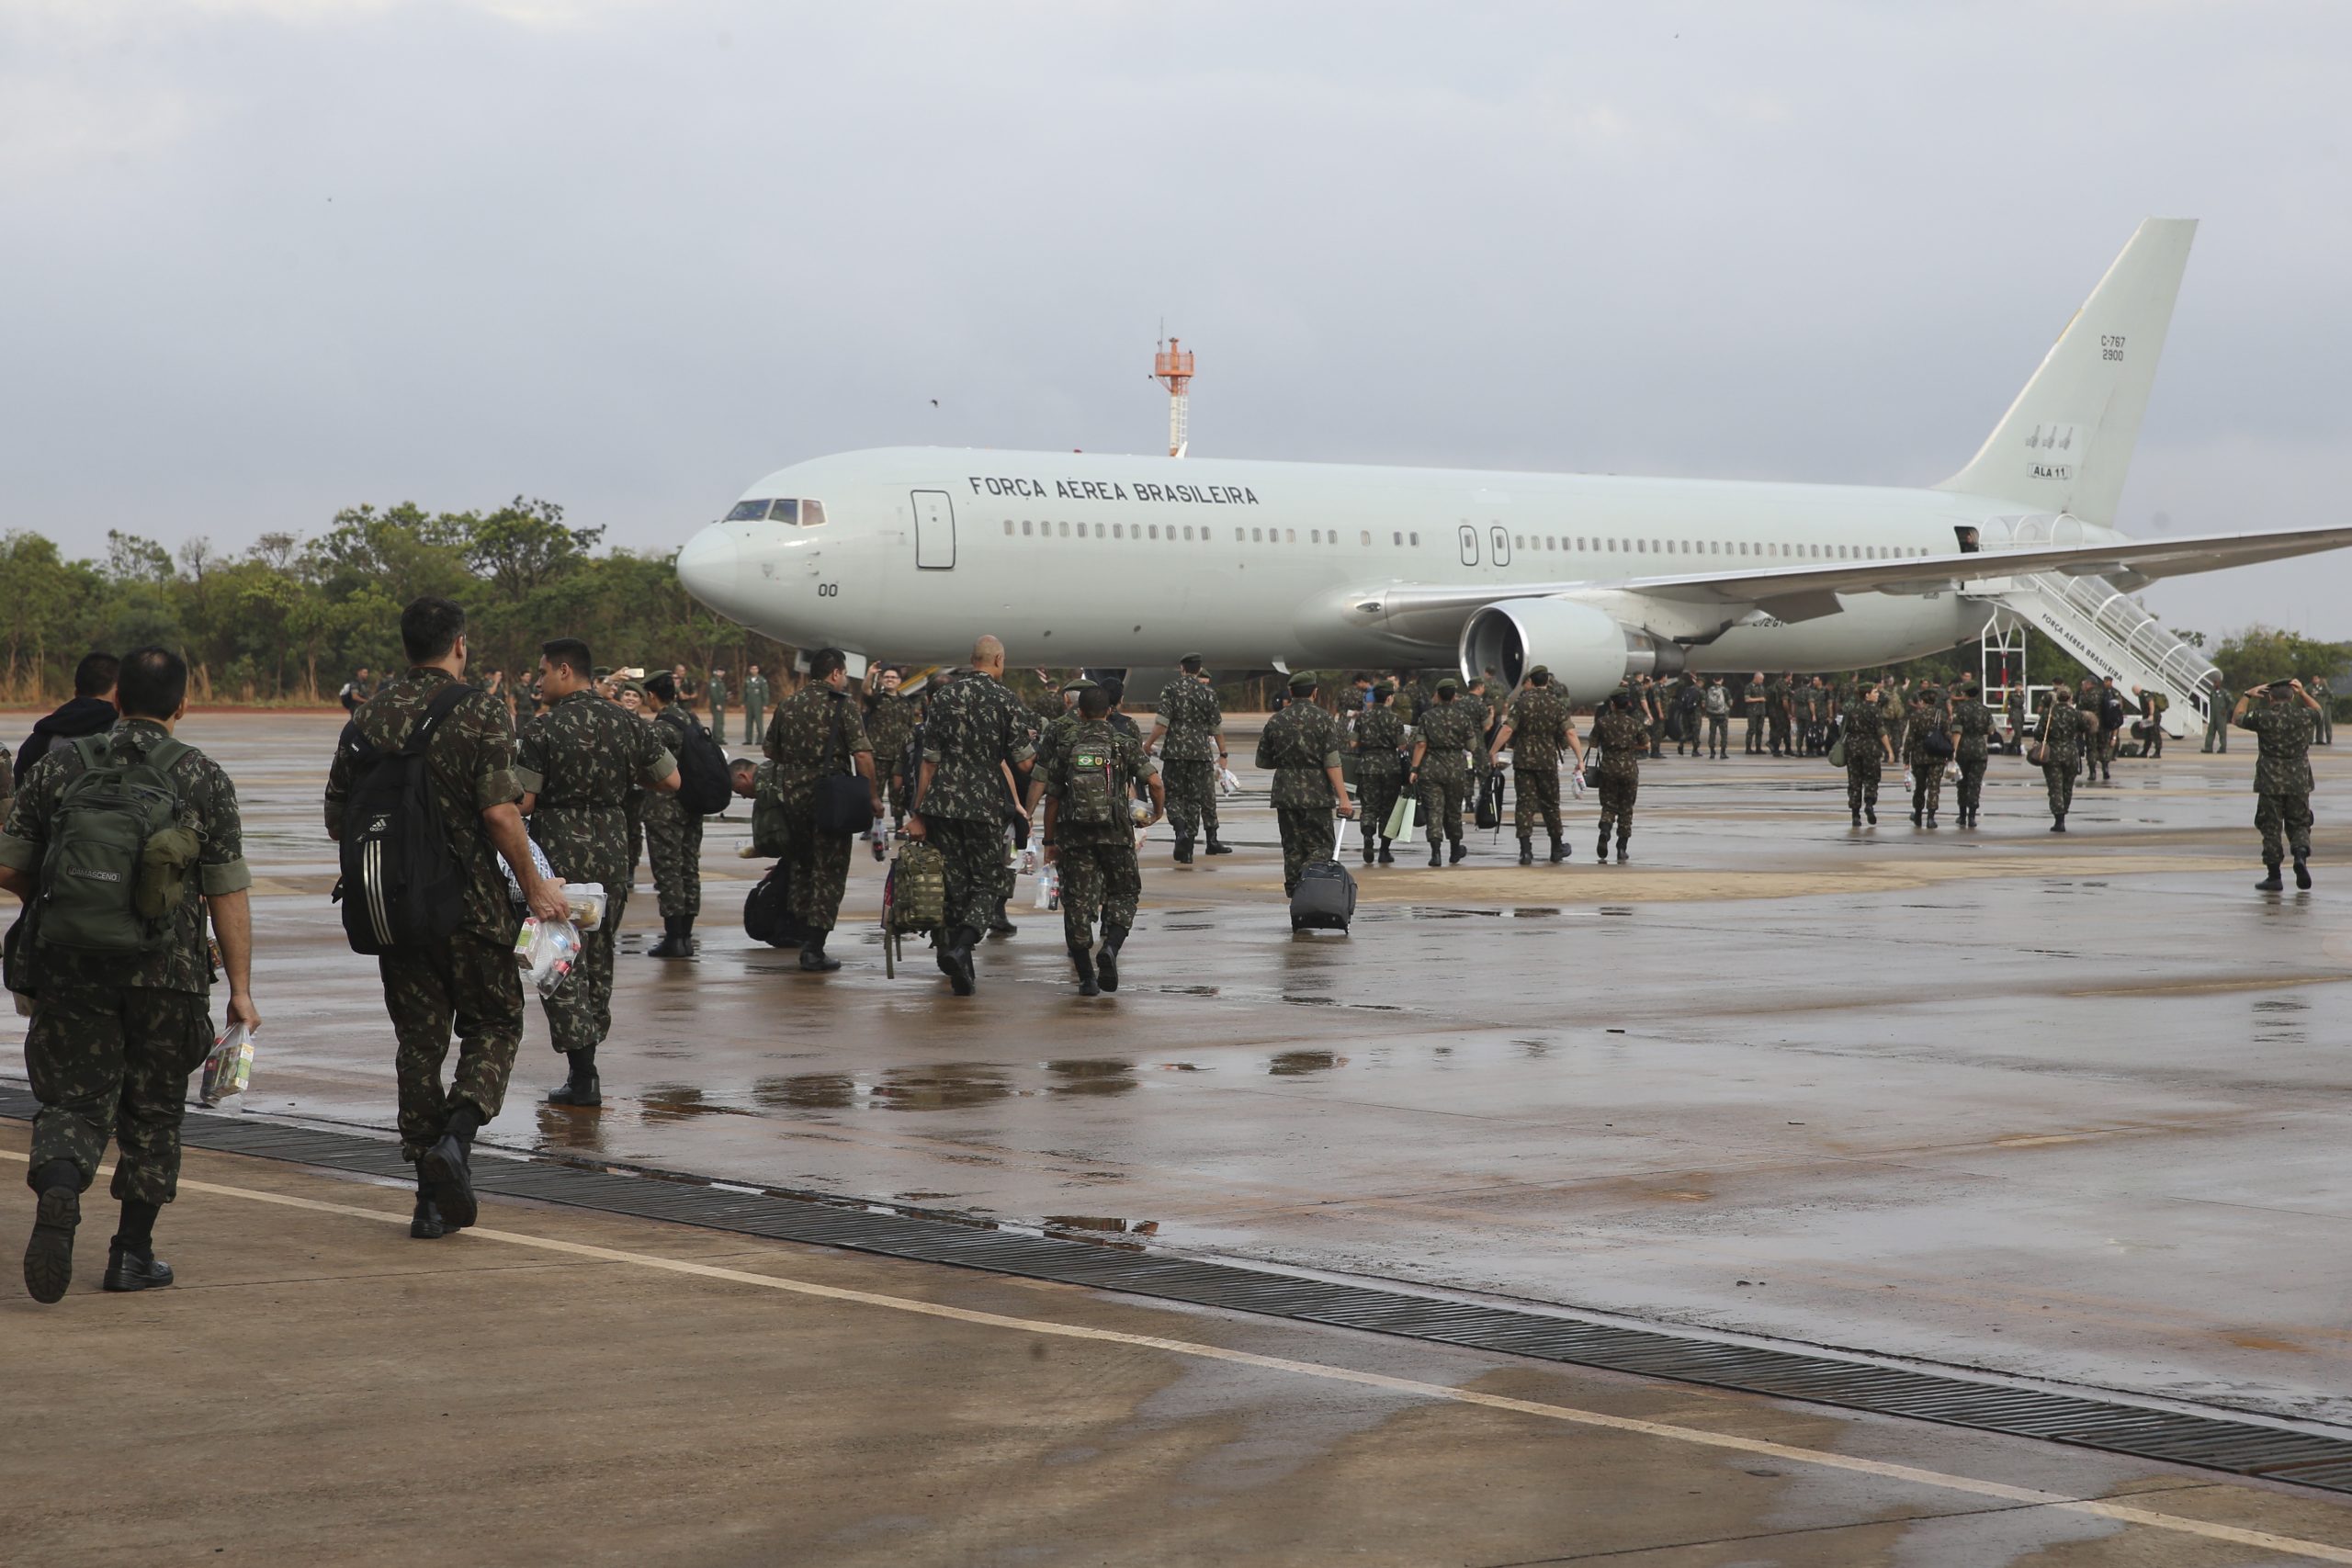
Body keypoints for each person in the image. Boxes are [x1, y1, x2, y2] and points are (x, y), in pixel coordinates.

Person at [3, 647, 258, 1301]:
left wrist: (58, 902)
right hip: (165, 973)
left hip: (70, 964)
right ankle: (130, 1256)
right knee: (152, 1112)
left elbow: (9, 864)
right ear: (182, 705)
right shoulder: (201, 777)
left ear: (114, 700)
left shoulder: (63, 763)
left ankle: (60, 1189)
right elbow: (227, 892)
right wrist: (241, 990)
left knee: (72, 1101)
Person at [325, 599, 563, 1239]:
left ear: (406, 646)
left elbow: (336, 818)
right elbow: (499, 812)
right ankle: (456, 1140)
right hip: (469, 909)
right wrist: (537, 887)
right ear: (459, 645)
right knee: (495, 1021)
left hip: (395, 911)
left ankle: (430, 1199)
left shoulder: (367, 715)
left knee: (419, 1043)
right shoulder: (480, 708)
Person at [520, 638, 681, 1106]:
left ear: (565, 671)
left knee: (558, 947)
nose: (539, 681)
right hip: (613, 843)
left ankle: (582, 1069)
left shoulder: (543, 729)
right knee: (600, 944)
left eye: (544, 671)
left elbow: (525, 801)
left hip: (558, 845)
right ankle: (591, 1050)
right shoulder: (628, 721)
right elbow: (671, 780)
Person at [906, 636, 1033, 996]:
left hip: (942, 804)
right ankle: (963, 947)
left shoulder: (944, 697)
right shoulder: (1005, 699)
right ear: (998, 659)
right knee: (987, 882)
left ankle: (955, 958)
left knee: (953, 883)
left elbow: (928, 762)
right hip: (983, 806)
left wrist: (919, 813)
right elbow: (1023, 761)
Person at [1041, 685, 1163, 995]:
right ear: (1109, 710)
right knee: (1124, 892)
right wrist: (1157, 813)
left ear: (1079, 712)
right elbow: (1155, 781)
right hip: (1116, 833)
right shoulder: (1122, 742)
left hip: (1075, 836)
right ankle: (1111, 947)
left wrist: (1050, 841)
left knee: (1078, 904)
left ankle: (1085, 978)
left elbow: (1052, 798)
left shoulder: (1067, 744)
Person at [763, 647, 877, 970]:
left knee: (802, 865)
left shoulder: (788, 704)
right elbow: (863, 755)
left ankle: (800, 929)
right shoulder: (842, 706)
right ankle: (814, 946)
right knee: (830, 871)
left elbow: (770, 750)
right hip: (831, 799)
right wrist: (873, 797)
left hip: (793, 797)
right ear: (836, 673)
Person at [1254, 671, 1355, 896]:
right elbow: (1332, 761)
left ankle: (1294, 894)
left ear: (1290, 692)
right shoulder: (1323, 719)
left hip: (1285, 792)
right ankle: (1311, 880)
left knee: (1292, 847)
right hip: (1316, 793)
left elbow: (1262, 761)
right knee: (1321, 846)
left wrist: (1289, 761)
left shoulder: (1277, 719)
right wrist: (1344, 797)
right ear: (1315, 692)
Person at [639, 672, 708, 958]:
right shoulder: (692, 720)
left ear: (653, 696)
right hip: (693, 803)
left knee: (668, 871)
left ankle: (674, 937)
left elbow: (645, 764)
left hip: (665, 808)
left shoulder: (661, 728)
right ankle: (687, 936)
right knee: (689, 868)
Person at [1489, 665, 1583, 863]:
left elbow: (1507, 730)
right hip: (1547, 761)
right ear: (1547, 681)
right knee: (1550, 804)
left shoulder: (1522, 703)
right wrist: (1580, 759)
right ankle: (1556, 847)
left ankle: (1525, 850)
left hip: (1524, 761)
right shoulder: (1555, 703)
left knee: (1524, 804)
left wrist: (1494, 751)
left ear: (1531, 681)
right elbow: (1570, 732)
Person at [2234, 680, 2321, 890]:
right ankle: (2300, 856)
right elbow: (2318, 711)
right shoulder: (2303, 716)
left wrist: (2247, 694)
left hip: (2270, 781)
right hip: (2298, 781)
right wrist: (2303, 692)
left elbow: (2237, 718)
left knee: (2271, 828)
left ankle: (2274, 876)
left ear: (2271, 698)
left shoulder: (2263, 717)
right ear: (2291, 697)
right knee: (2300, 823)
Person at [1148, 655, 1231, 863]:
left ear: (1182, 668)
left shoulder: (1171, 689)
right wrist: (1223, 753)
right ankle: (1189, 849)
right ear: (1199, 669)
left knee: (1174, 796)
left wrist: (1148, 743)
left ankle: (1180, 831)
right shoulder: (1208, 692)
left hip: (1175, 753)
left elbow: (1162, 724)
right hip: (1200, 754)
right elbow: (1216, 728)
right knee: (1194, 799)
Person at [16, 652, 119, 785]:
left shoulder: (40, 738)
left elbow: (19, 794)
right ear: (118, 694)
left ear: (76, 693)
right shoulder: (125, 734)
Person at [1408, 678, 1480, 866]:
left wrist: (1414, 768)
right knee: (1453, 810)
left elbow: (1421, 744)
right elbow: (1472, 746)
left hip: (1431, 769)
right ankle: (1455, 849)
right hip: (1455, 768)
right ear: (1455, 696)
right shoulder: (1463, 718)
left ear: (1438, 695)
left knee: (1434, 810)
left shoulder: (1427, 717)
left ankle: (1436, 853)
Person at [864, 665, 920, 852]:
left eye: (893, 677)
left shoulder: (906, 703)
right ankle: (869, 826)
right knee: (875, 792)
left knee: (897, 793)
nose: (889, 679)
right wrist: (870, 675)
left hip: (898, 756)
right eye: (886, 677)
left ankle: (898, 826)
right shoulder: (876, 700)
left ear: (899, 681)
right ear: (882, 680)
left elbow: (911, 728)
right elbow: (866, 691)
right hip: (878, 754)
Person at [1351, 680, 1407, 865]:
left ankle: (1368, 837)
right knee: (1388, 810)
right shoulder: (1395, 719)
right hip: (1391, 767)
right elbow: (1402, 745)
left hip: (1367, 766)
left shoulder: (1363, 718)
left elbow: (1352, 743)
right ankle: (1384, 850)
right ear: (1389, 698)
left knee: (1369, 807)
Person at [1589, 689, 1646, 863]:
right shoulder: (1634, 723)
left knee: (1608, 806)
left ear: (1612, 704)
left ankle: (1605, 831)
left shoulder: (1602, 722)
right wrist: (1628, 747)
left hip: (1608, 769)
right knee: (1626, 809)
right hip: (1629, 770)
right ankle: (1622, 848)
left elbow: (1593, 743)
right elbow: (1645, 743)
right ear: (1627, 704)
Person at [2032, 685, 2086, 831]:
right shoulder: (2075, 713)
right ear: (2070, 697)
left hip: (2053, 754)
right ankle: (2064, 812)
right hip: (2071, 753)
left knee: (2055, 787)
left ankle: (2059, 820)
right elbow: (2086, 727)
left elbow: (2038, 733)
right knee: (2067, 787)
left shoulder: (2049, 713)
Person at [1842, 679, 1893, 826]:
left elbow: (1842, 729)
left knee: (1854, 781)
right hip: (1870, 748)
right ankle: (1869, 805)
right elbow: (1881, 731)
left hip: (1852, 748)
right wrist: (1890, 750)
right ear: (1867, 695)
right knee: (1871, 778)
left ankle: (1855, 815)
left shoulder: (1850, 709)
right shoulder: (1874, 710)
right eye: (1875, 692)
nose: (1877, 695)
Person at [1950, 680, 1995, 828]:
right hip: (1980, 749)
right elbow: (1991, 730)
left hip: (1963, 749)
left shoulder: (1960, 709)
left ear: (1964, 693)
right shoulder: (1985, 709)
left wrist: (1953, 751)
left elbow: (1957, 731)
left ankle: (1962, 816)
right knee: (1975, 784)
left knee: (1962, 783)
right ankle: (1972, 817)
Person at [1905, 683, 1951, 829]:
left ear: (1922, 701)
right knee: (1934, 787)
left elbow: (1910, 739)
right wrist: (1951, 753)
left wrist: (1906, 757)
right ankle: (1931, 817)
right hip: (1937, 756)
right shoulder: (1941, 715)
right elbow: (1947, 735)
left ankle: (1918, 814)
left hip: (1919, 757)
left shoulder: (1915, 716)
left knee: (1920, 787)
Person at [1702, 675, 1731, 759]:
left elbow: (1705, 703)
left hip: (1712, 715)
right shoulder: (1725, 690)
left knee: (1712, 733)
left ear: (1714, 680)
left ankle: (1712, 752)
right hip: (1723, 716)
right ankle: (1722, 753)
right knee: (1724, 734)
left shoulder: (1709, 690)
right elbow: (1730, 702)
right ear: (1722, 680)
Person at [741, 663, 769, 746]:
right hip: (749, 704)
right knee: (748, 722)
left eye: (755, 669)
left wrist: (765, 704)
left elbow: (765, 693)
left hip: (758, 704)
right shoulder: (747, 680)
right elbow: (744, 692)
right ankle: (748, 740)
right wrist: (742, 703)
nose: (754, 670)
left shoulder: (762, 680)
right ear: (750, 670)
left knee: (759, 722)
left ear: (758, 670)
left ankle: (760, 739)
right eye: (752, 669)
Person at [2203, 682, 2233, 753]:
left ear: (2220, 684)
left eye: (2217, 683)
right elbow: (2211, 702)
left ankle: (2223, 748)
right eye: (2214, 683)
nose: (2215, 684)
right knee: (2210, 732)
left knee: (2222, 733)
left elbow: (2231, 702)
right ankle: (2208, 748)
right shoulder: (2212, 693)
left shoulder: (2225, 693)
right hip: (2213, 716)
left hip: (2221, 717)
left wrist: (2226, 710)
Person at [1742, 671, 1767, 755]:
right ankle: (1748, 748)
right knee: (1751, 729)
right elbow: (1747, 699)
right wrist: (1759, 699)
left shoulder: (1761, 687)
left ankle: (1758, 748)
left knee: (1759, 730)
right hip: (1752, 712)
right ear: (1756, 678)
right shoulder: (1749, 687)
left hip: (1761, 712)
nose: (1762, 681)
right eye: (1761, 679)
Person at [707, 668, 729, 741]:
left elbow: (721, 693)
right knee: (718, 721)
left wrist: (726, 696)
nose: (721, 673)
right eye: (719, 671)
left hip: (721, 704)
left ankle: (715, 737)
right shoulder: (714, 681)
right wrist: (717, 703)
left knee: (718, 721)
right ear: (716, 672)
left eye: (722, 671)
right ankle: (719, 738)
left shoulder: (720, 681)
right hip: (717, 704)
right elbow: (714, 694)